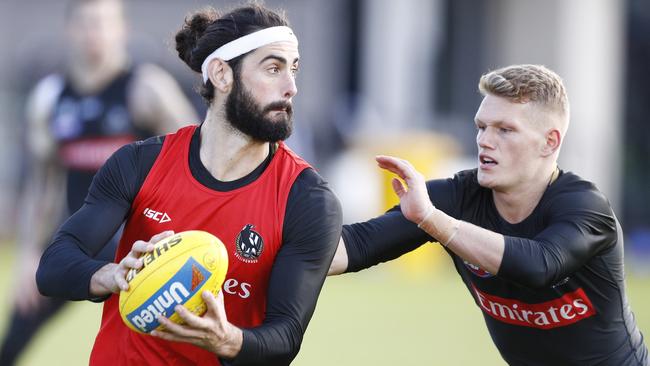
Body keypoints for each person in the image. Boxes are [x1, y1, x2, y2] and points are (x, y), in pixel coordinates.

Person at [36, 3, 342, 365]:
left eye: (293, 69)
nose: (291, 87)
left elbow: (285, 338)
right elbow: (53, 267)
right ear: (221, 74)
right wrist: (111, 275)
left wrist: (228, 340)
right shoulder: (138, 162)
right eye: (273, 68)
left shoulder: (305, 196)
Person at [330, 64, 649, 365]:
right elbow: (357, 245)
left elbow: (539, 265)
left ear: (549, 142)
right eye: (481, 127)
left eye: (505, 130)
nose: (484, 141)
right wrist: (282, 243)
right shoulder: (456, 198)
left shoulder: (585, 207)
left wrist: (433, 220)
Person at [0, 0, 197, 364]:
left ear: (121, 29)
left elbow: (195, 156)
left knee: (165, 349)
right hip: (77, 241)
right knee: (14, 336)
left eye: (104, 24)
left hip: (142, 245)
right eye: (87, 24)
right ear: (70, 31)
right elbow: (42, 186)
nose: (95, 33)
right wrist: (30, 255)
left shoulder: (147, 89)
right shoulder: (50, 98)